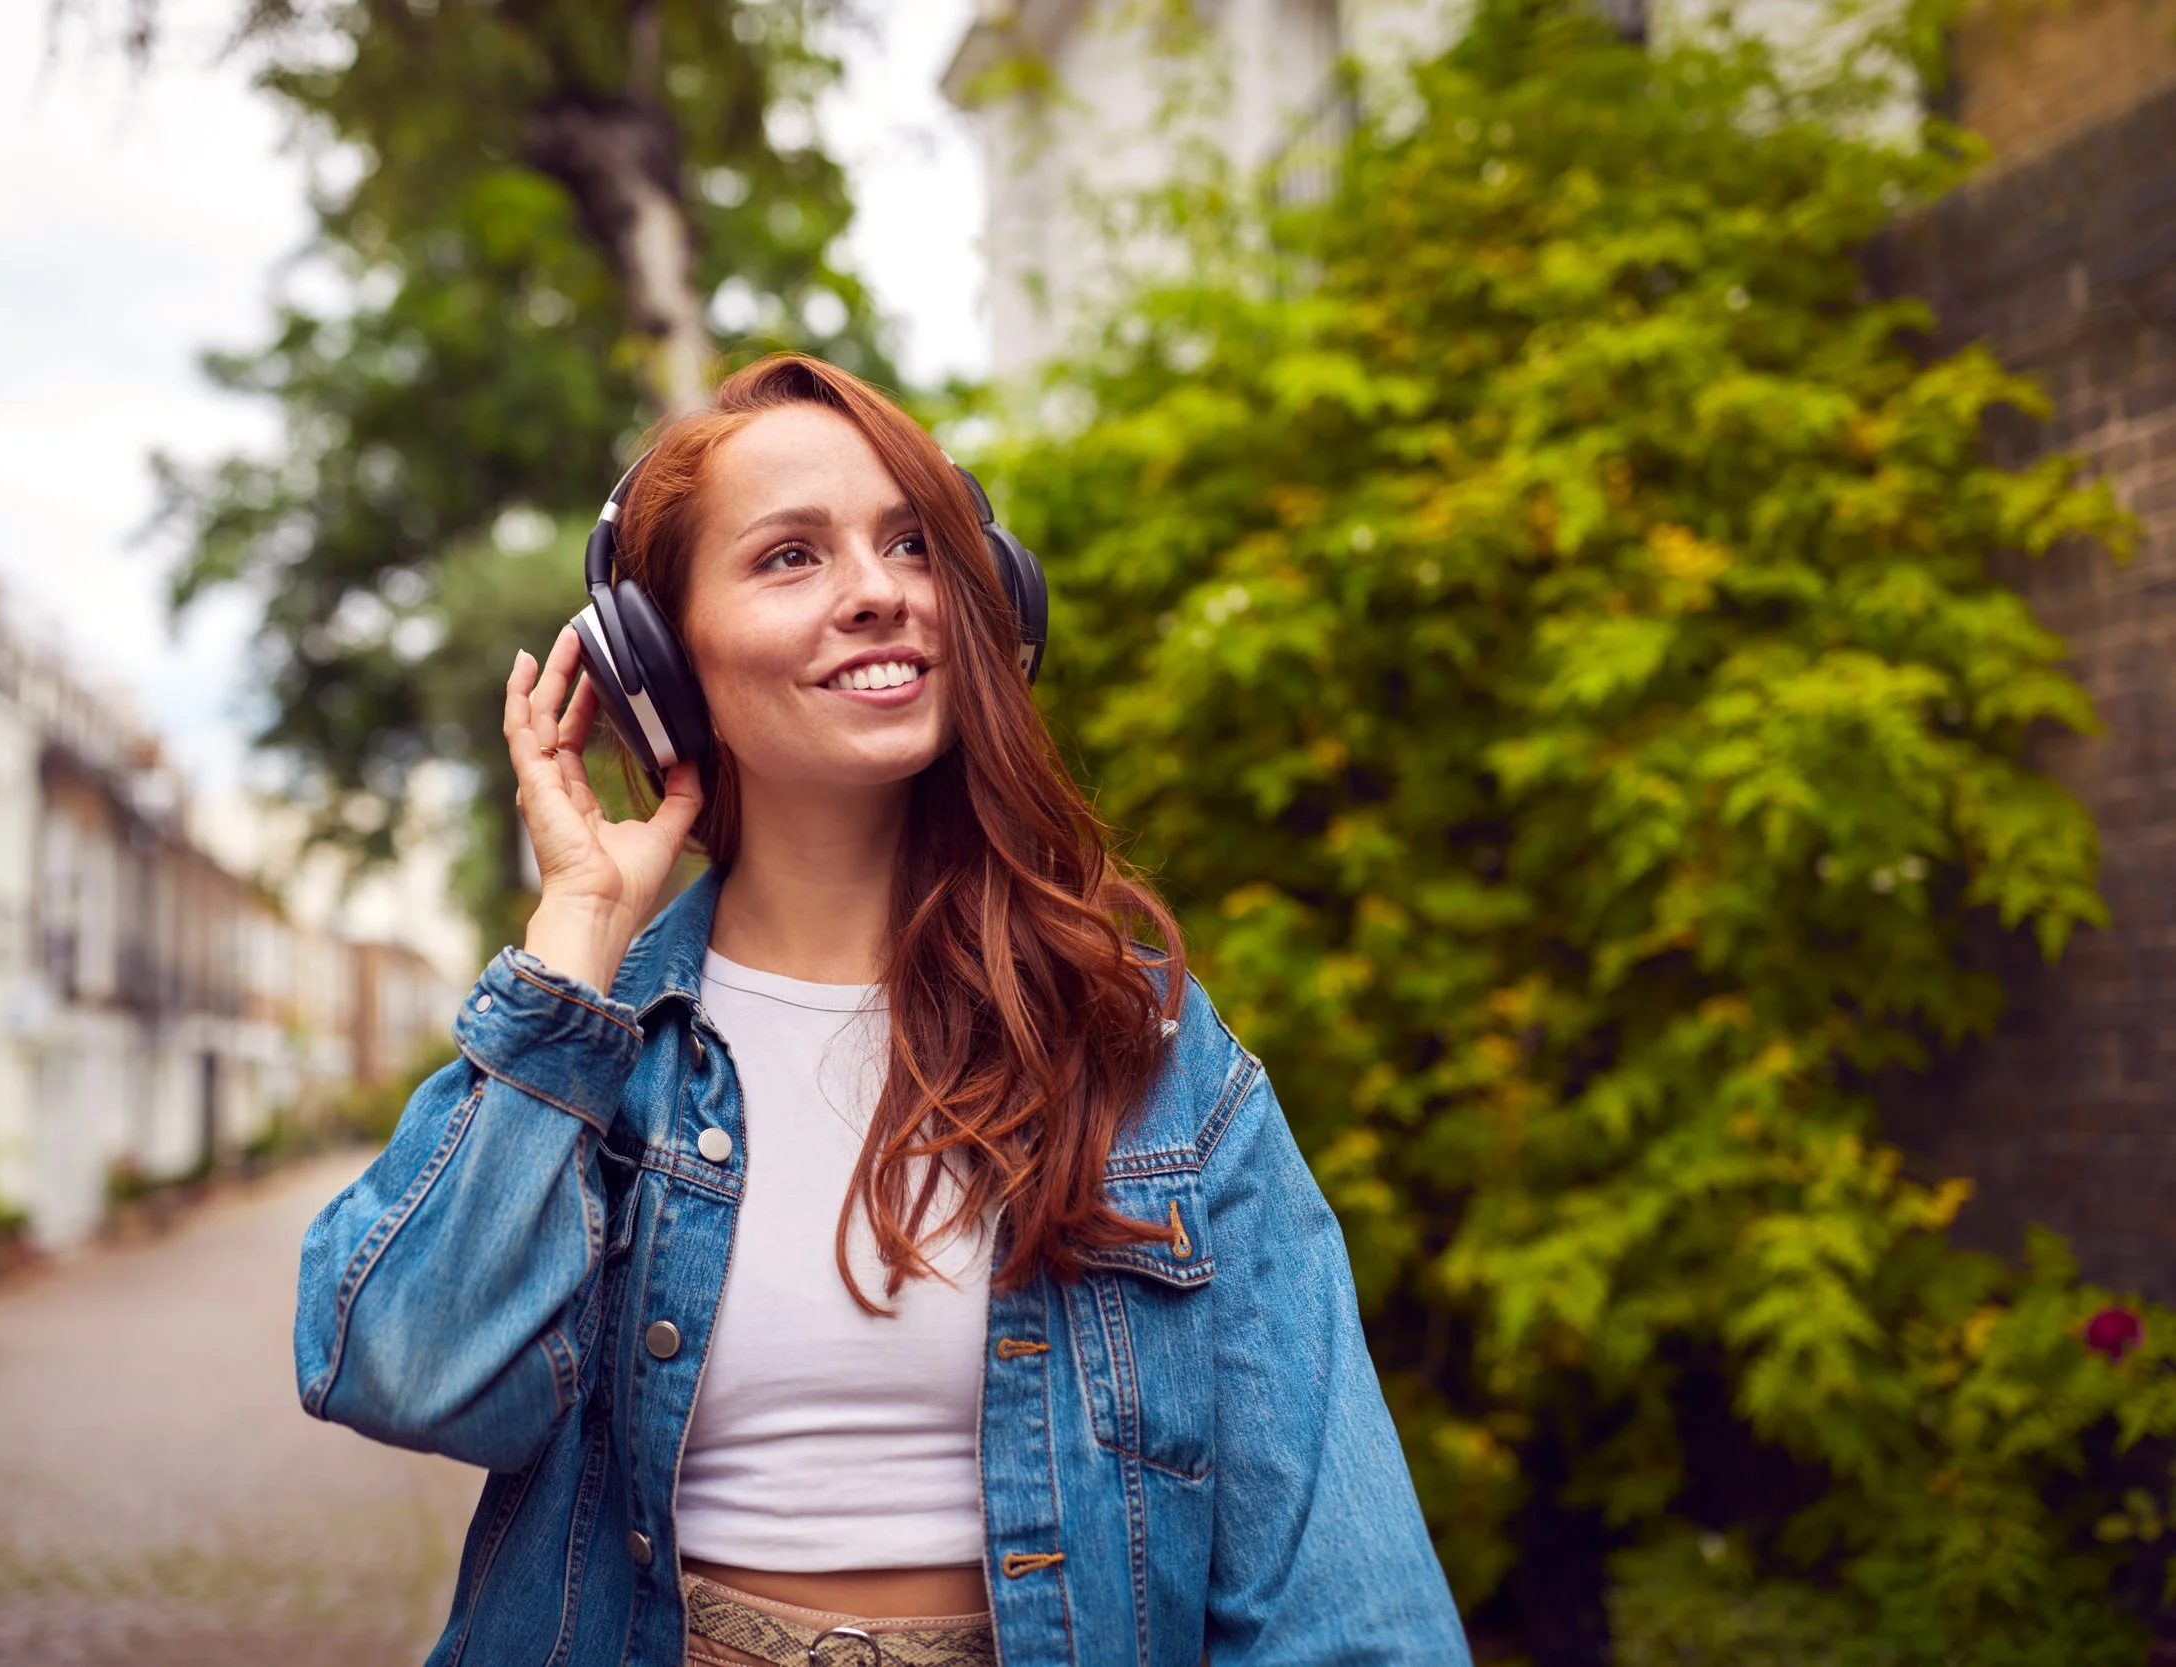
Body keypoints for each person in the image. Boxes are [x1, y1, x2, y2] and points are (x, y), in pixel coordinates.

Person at [293, 354, 1469, 1666]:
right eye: (791, 556)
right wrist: (574, 942)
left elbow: (1345, 1602)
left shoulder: (1149, 1059)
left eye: (912, 544)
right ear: (665, 661)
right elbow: (403, 1367)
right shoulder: (592, 1051)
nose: (878, 593)